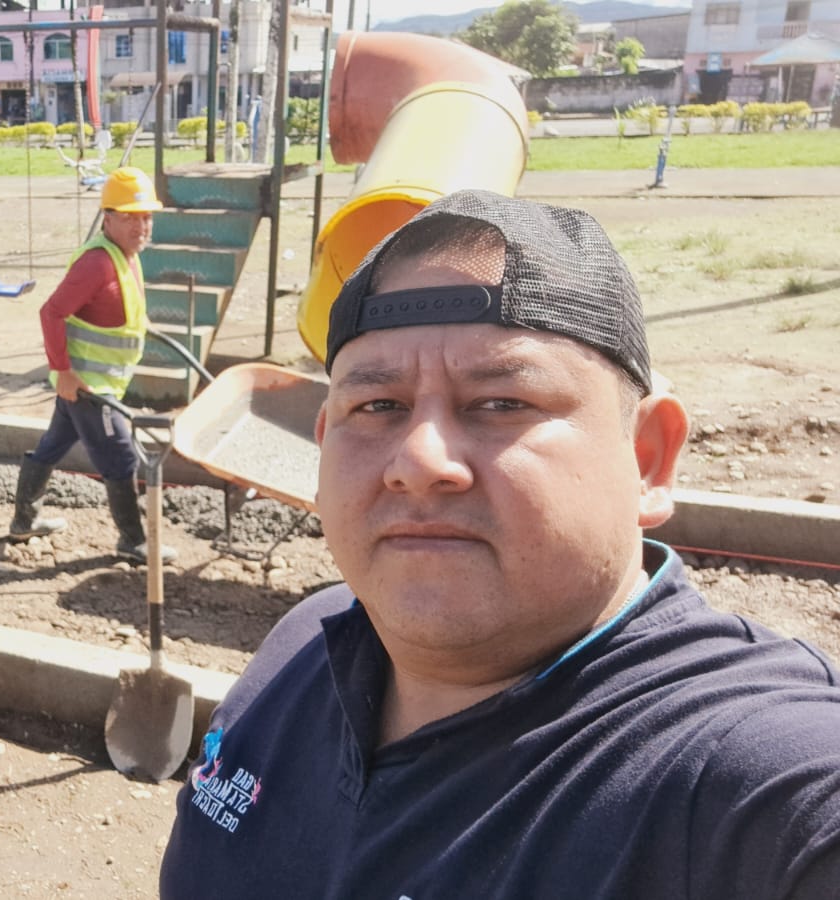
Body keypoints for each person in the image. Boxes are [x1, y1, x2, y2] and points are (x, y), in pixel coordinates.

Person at [159, 190, 840, 898]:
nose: (419, 460)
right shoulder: (303, 645)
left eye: (501, 403)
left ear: (647, 458)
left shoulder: (749, 785)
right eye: (379, 406)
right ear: (325, 443)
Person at [8, 166, 175, 565]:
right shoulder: (97, 264)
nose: (141, 226)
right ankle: (133, 541)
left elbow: (117, 308)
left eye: (146, 217)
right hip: (87, 387)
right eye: (130, 217)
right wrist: (63, 371)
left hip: (96, 384)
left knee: (52, 445)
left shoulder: (126, 256)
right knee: (121, 457)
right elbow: (51, 313)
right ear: (108, 218)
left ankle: (23, 521)